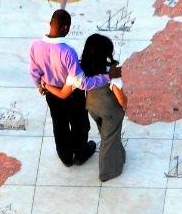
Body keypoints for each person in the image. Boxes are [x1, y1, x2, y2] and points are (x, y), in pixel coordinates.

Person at [28, 10, 121, 167]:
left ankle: (65, 157)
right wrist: (108, 76)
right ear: (66, 28)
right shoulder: (67, 52)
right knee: (79, 124)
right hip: (72, 96)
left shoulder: (34, 46)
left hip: (51, 93)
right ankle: (80, 153)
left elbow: (34, 71)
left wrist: (41, 86)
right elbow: (82, 83)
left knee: (59, 123)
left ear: (50, 24)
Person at [43, 33, 126, 182]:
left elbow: (63, 93)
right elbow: (120, 97)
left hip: (93, 107)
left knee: (105, 133)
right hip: (109, 110)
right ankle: (107, 172)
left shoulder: (79, 69)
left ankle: (118, 153)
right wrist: (124, 106)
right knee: (109, 138)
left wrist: (46, 85)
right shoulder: (112, 71)